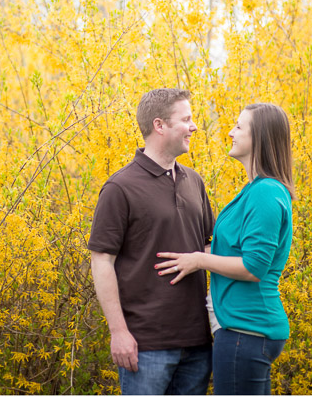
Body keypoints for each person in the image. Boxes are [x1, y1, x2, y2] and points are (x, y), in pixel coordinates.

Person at [154, 103, 294, 395]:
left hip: (247, 329)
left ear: (261, 137)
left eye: (239, 127)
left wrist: (198, 260)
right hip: (243, 328)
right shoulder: (254, 190)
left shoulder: (266, 192)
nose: (231, 132)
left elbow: (254, 267)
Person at [88, 88, 215, 395]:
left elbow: (210, 249)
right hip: (146, 346)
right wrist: (118, 332)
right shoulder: (120, 187)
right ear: (160, 126)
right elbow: (101, 261)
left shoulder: (194, 182)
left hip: (198, 344)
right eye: (186, 119)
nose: (194, 126)